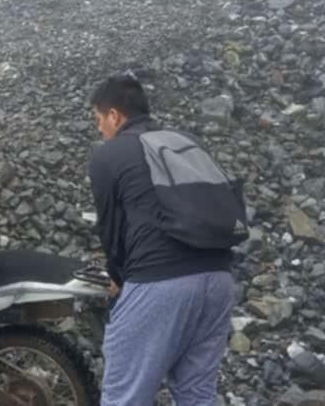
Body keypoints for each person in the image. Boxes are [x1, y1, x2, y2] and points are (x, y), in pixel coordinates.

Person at [88, 76, 237, 406]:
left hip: (160, 284)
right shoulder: (185, 142)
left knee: (125, 397)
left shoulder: (109, 155)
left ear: (114, 115)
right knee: (196, 393)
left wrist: (120, 281)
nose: (100, 129)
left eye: (99, 119)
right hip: (219, 280)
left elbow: (111, 232)